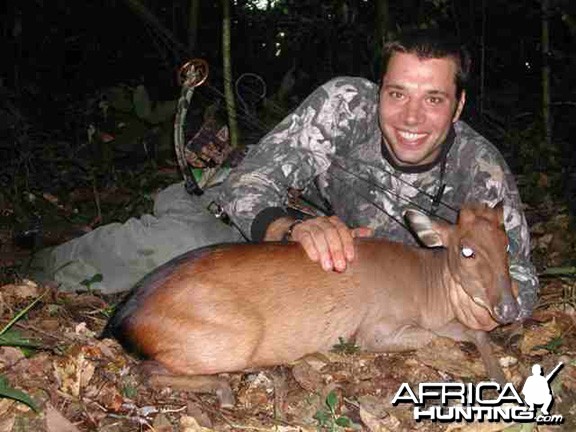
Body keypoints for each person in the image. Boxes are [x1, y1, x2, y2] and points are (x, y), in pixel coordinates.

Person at [218, 29, 539, 322]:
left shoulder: (480, 170)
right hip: (289, 247)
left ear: (458, 106)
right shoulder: (343, 107)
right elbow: (245, 185)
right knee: (179, 245)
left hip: (366, 294)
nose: (411, 118)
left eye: (433, 99)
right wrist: (289, 231)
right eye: (397, 94)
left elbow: (521, 276)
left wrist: (481, 306)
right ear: (379, 91)